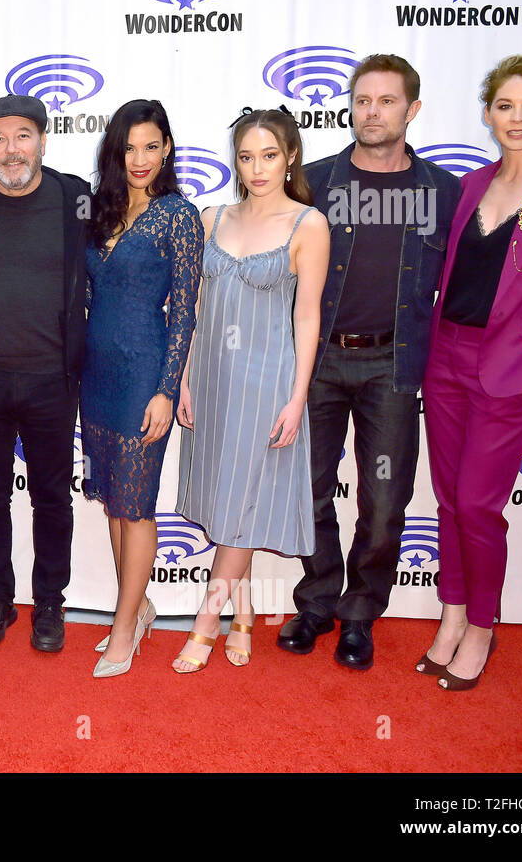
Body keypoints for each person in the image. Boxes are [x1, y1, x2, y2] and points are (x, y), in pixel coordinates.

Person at [281, 54, 463, 669]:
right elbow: (266, 251)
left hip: (394, 364)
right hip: (320, 360)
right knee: (306, 489)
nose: (372, 112)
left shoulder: (443, 191)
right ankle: (317, 603)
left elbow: (475, 274)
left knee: (384, 502)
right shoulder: (317, 181)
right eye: (363, 100)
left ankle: (361, 614)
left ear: (412, 110)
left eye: (386, 101)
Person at [419, 54, 522, 690]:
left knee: (478, 505)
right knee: (449, 500)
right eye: (506, 106)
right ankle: (453, 613)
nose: (518, 118)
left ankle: (483, 626)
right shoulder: (469, 185)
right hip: (446, 360)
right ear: (488, 113)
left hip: (516, 370)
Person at [174, 107, 330, 672]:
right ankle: (243, 612)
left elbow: (307, 318)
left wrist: (296, 397)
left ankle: (206, 623)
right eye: (246, 157)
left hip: (267, 383)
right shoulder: (211, 217)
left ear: (290, 157)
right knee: (226, 501)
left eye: (269, 155)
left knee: (241, 501)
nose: (257, 168)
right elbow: (191, 309)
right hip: (213, 380)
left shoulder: (307, 224)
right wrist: (185, 377)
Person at [0, 94, 91, 652]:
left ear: (43, 139)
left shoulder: (74, 196)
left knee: (53, 496)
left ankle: (50, 601)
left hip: (53, 378)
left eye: (22, 135)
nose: (11, 149)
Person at [81, 99, 202, 678]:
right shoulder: (100, 210)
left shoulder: (178, 214)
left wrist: (166, 388)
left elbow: (184, 314)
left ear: (168, 149)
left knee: (136, 506)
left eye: (151, 146)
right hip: (95, 374)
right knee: (112, 500)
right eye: (130, 147)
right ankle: (140, 607)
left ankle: (124, 630)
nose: (140, 158)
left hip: (143, 374)